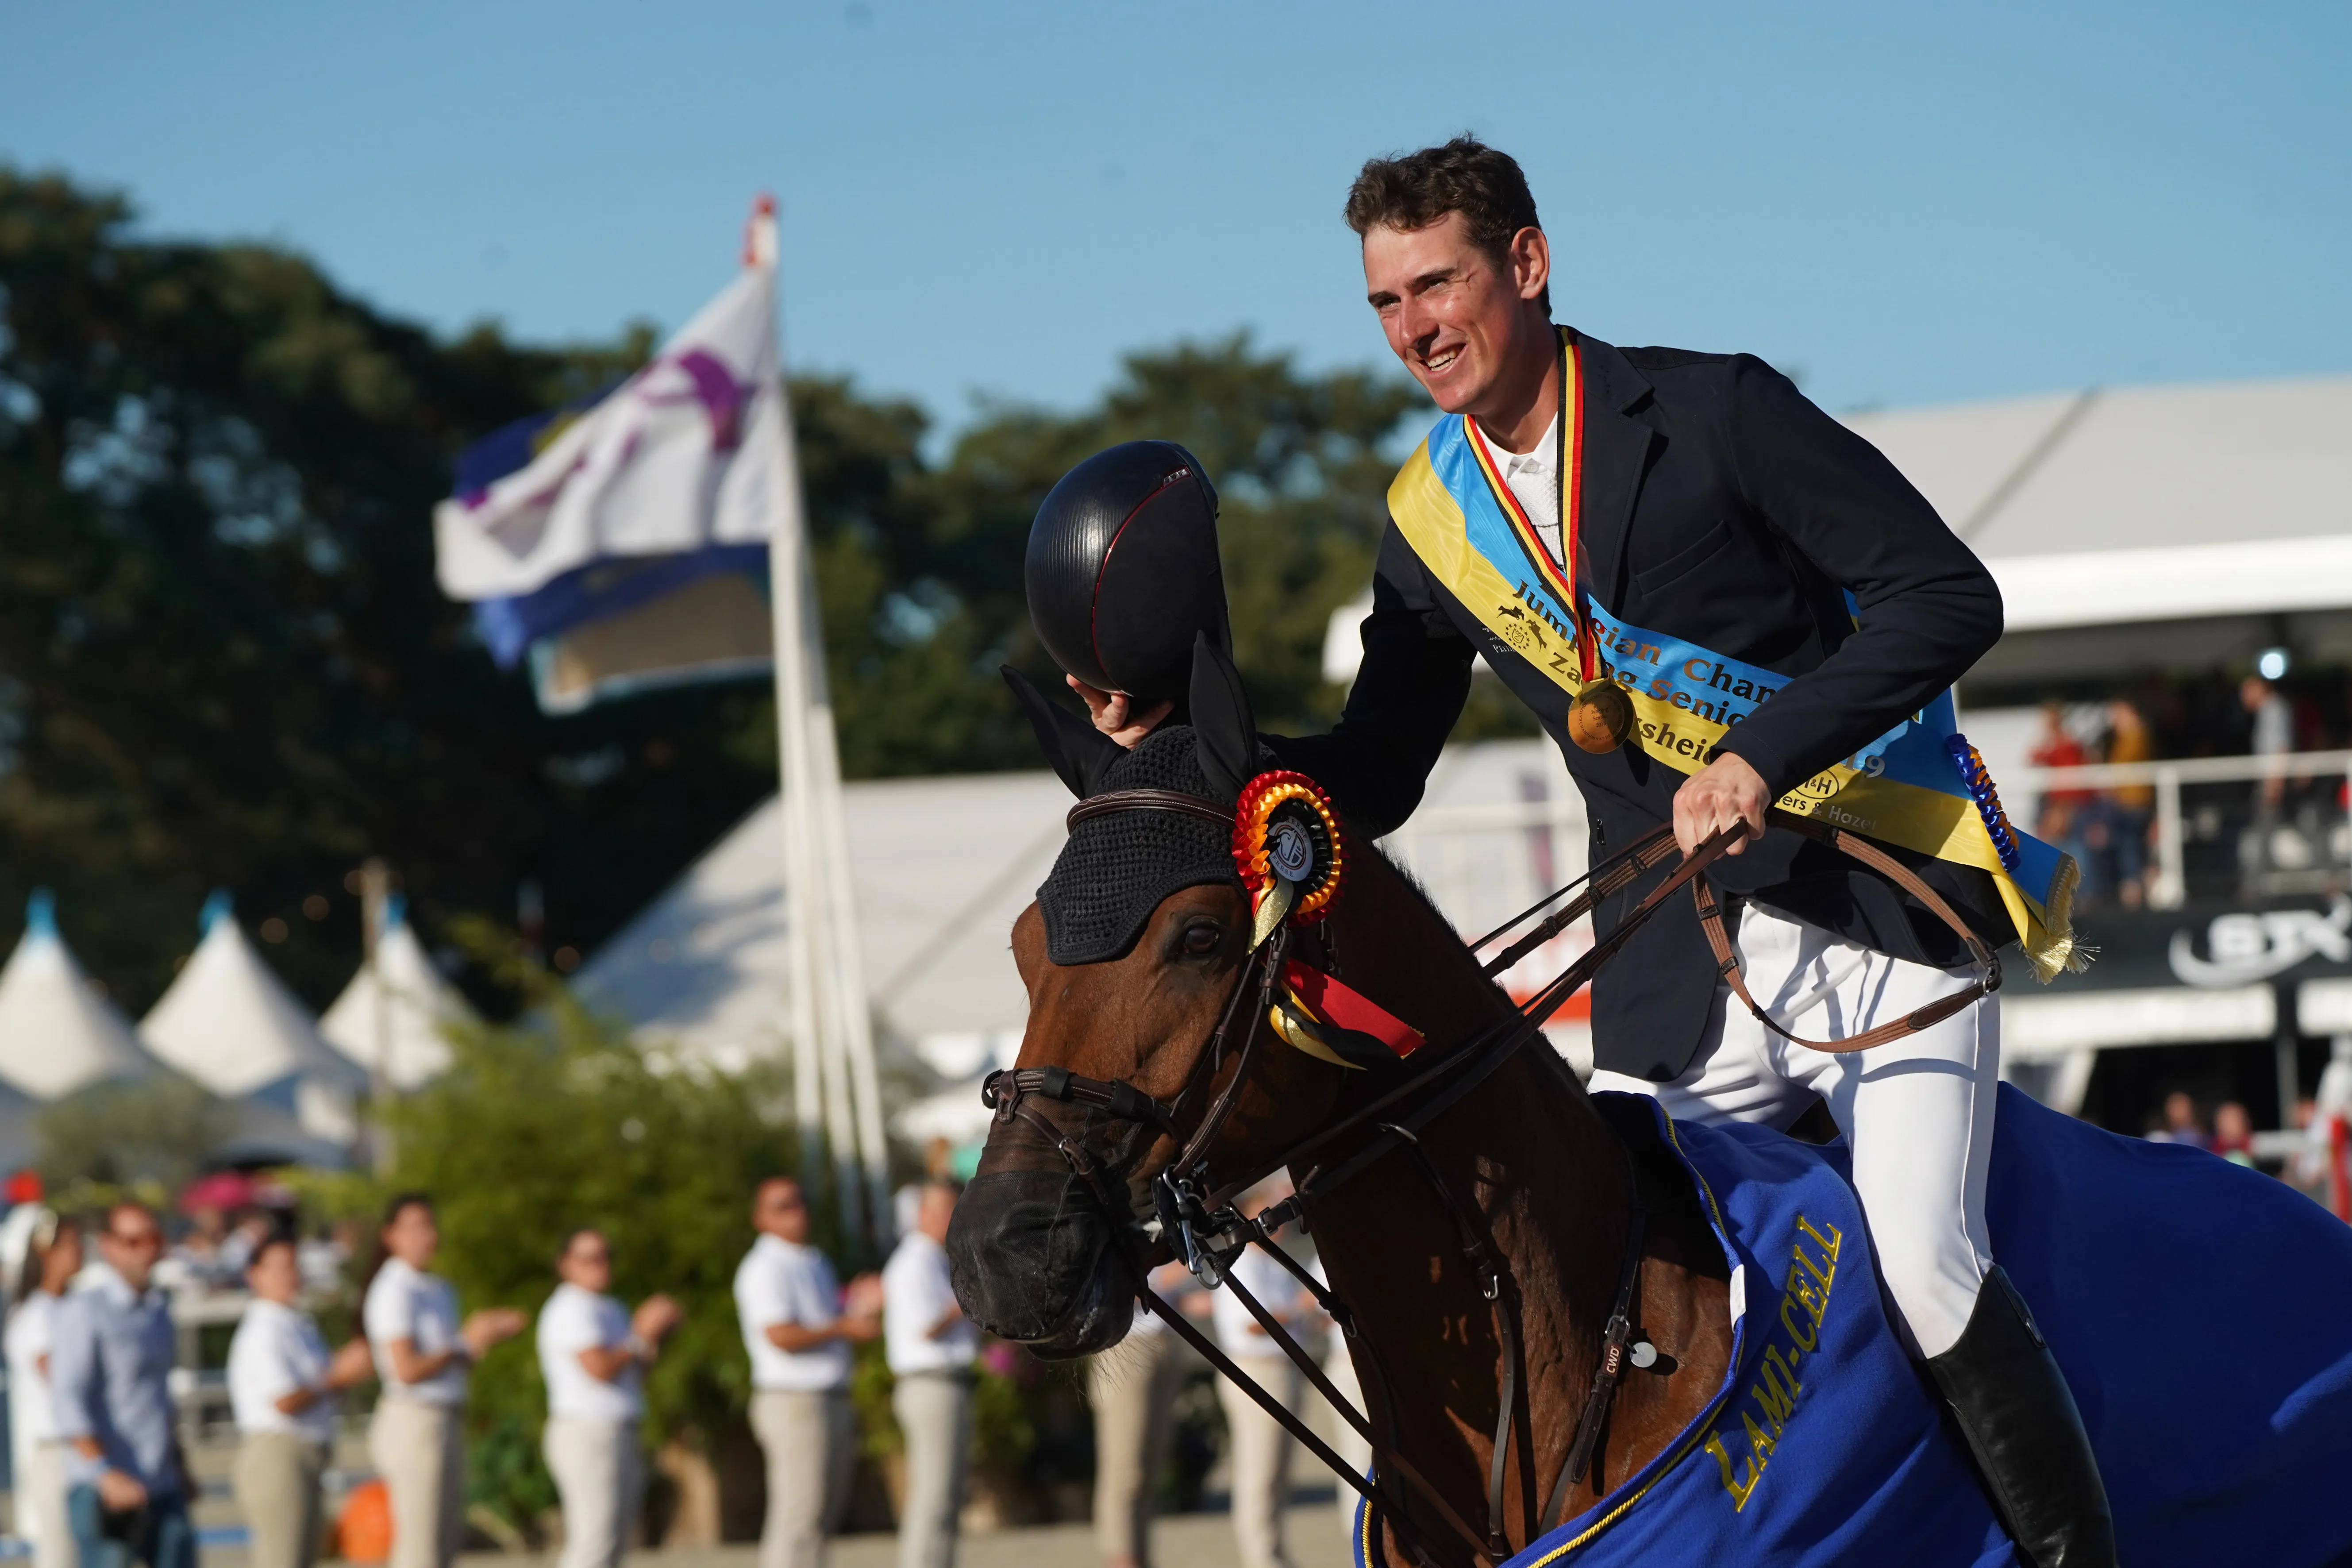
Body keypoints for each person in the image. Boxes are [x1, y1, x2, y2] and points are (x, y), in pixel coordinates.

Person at [1066, 136, 2110, 1566]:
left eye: (1437, 284)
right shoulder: (1430, 524)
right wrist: (1184, 739)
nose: (1414, 329)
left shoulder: (1712, 410)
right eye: (1383, 303)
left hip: (1870, 916)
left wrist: (1760, 752)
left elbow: (1947, 594)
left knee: (1925, 1265)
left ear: (1527, 264)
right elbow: (1375, 772)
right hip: (1673, 973)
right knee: (1598, 1301)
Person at [362, 1194, 526, 1568]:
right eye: (416, 1226)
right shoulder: (393, 1289)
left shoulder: (437, 1288)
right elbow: (406, 1369)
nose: (427, 1235)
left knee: (446, 1541)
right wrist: (464, 1341)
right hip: (414, 1419)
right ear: (391, 1235)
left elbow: (454, 1361)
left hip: (445, 1415)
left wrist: (485, 1337)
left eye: (430, 1225)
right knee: (420, 1547)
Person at [734, 1178, 883, 1568]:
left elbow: (827, 1323)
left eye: (799, 1201)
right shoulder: (764, 1267)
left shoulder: (813, 1260)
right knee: (798, 1517)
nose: (796, 1210)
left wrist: (857, 1310)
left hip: (828, 1394)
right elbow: (779, 1334)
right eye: (782, 1205)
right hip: (794, 1400)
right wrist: (843, 1327)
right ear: (759, 1218)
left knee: (822, 1517)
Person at [50, 1202, 191, 1568]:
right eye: (133, 1240)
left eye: (153, 1238)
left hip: (161, 1481)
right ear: (108, 1246)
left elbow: (157, 1398)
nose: (147, 1249)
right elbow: (67, 1399)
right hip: (106, 1488)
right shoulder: (86, 1310)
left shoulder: (158, 1309)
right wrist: (104, 1473)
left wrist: (180, 1463)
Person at [537, 1228, 682, 1568]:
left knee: (617, 1543)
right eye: (588, 1257)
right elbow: (599, 1367)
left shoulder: (612, 1307)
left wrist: (660, 1334)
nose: (599, 1264)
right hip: (586, 1433)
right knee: (594, 1541)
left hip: (621, 1429)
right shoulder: (569, 1307)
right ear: (565, 1264)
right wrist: (640, 1334)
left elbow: (633, 1373)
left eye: (604, 1256)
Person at [228, 1234, 374, 1568]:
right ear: (255, 1274)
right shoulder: (264, 1328)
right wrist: (336, 1375)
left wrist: (344, 1375)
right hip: (278, 1455)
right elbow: (284, 1400)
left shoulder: (296, 1323)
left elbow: (322, 1389)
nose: (288, 1275)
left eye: (292, 1266)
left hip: (306, 1453)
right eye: (277, 1268)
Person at [1209, 1183, 1307, 1568]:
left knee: (1278, 1473)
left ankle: (1273, 1553)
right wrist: (1297, 1310)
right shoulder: (1244, 1263)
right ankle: (1262, 1559)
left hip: (1279, 1370)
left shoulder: (1267, 1263)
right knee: (1260, 1473)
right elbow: (1251, 1324)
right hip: (1258, 1370)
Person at [881, 1181, 978, 1568]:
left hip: (946, 1382)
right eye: (939, 1210)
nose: (947, 1218)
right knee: (933, 1497)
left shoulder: (935, 1258)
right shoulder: (914, 1260)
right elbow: (926, 1324)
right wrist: (972, 1297)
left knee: (947, 1496)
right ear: (921, 1214)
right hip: (930, 1383)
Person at [1087, 1261, 1191, 1568]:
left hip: (1162, 1343)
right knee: (1125, 1467)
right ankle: (1121, 1557)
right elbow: (1106, 1291)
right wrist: (1169, 1278)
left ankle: (1140, 1556)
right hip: (1125, 1348)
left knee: (1150, 1467)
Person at [7, 1212, 83, 1568]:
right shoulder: (36, 1314)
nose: (78, 1251)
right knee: (60, 1556)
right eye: (68, 1244)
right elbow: (66, 1381)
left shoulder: (77, 1307)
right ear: (44, 1251)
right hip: (58, 1450)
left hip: (85, 1447)